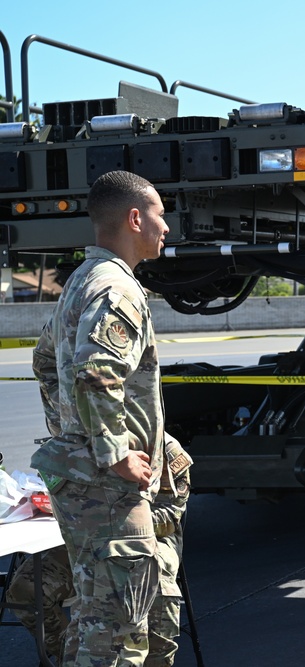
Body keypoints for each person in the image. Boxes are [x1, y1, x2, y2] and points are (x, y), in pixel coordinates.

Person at [30, 169, 170, 666]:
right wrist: (113, 454)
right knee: (118, 630)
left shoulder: (81, 282)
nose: (166, 226)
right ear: (135, 218)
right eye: (159, 213)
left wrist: (68, 430)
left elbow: (46, 361)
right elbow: (95, 375)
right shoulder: (117, 289)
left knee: (94, 618)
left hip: (83, 478)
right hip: (107, 489)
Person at [6, 436, 193, 666]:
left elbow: (169, 517)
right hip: (86, 540)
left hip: (151, 541)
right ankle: (78, 655)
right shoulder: (78, 443)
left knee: (158, 594)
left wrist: (110, 521)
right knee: (26, 590)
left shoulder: (162, 447)